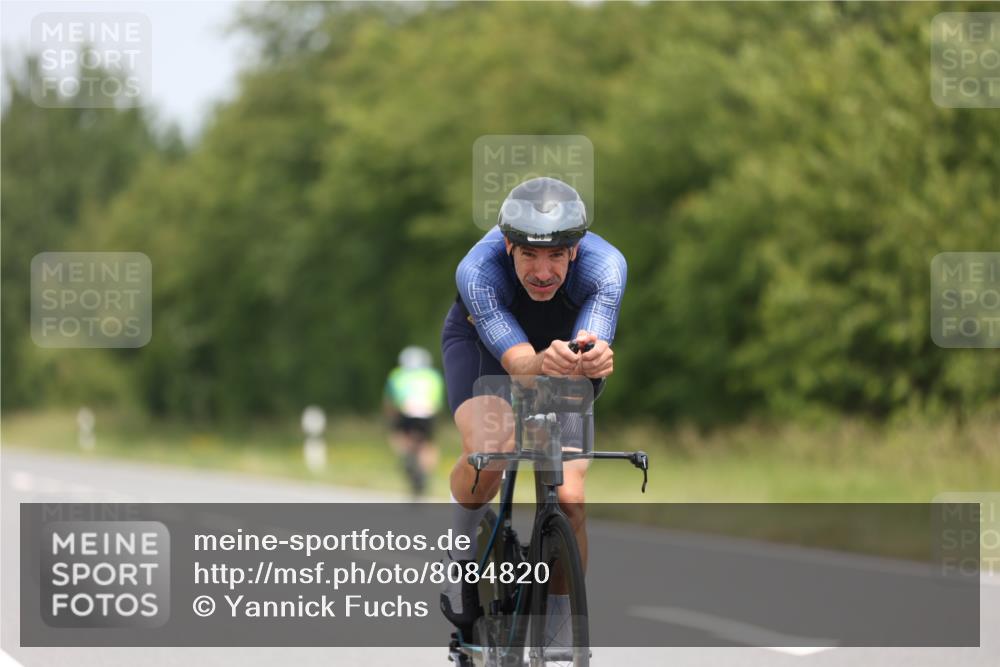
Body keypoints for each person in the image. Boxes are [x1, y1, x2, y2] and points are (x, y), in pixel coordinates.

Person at [439, 176, 627, 643]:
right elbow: (522, 366)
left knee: (571, 499)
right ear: (507, 246)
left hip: (557, 347)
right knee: (492, 450)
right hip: (484, 346)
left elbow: (588, 350)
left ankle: (561, 628)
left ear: (576, 250)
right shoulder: (478, 271)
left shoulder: (607, 268)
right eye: (528, 255)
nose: (543, 272)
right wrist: (546, 361)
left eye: (556, 256)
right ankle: (461, 555)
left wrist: (595, 359)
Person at [383, 345, 445, 498]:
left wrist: (390, 416)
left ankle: (408, 459)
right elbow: (438, 400)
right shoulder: (433, 376)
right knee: (428, 444)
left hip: (406, 411)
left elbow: (390, 400)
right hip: (428, 413)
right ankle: (426, 474)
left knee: (398, 436)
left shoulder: (397, 375)